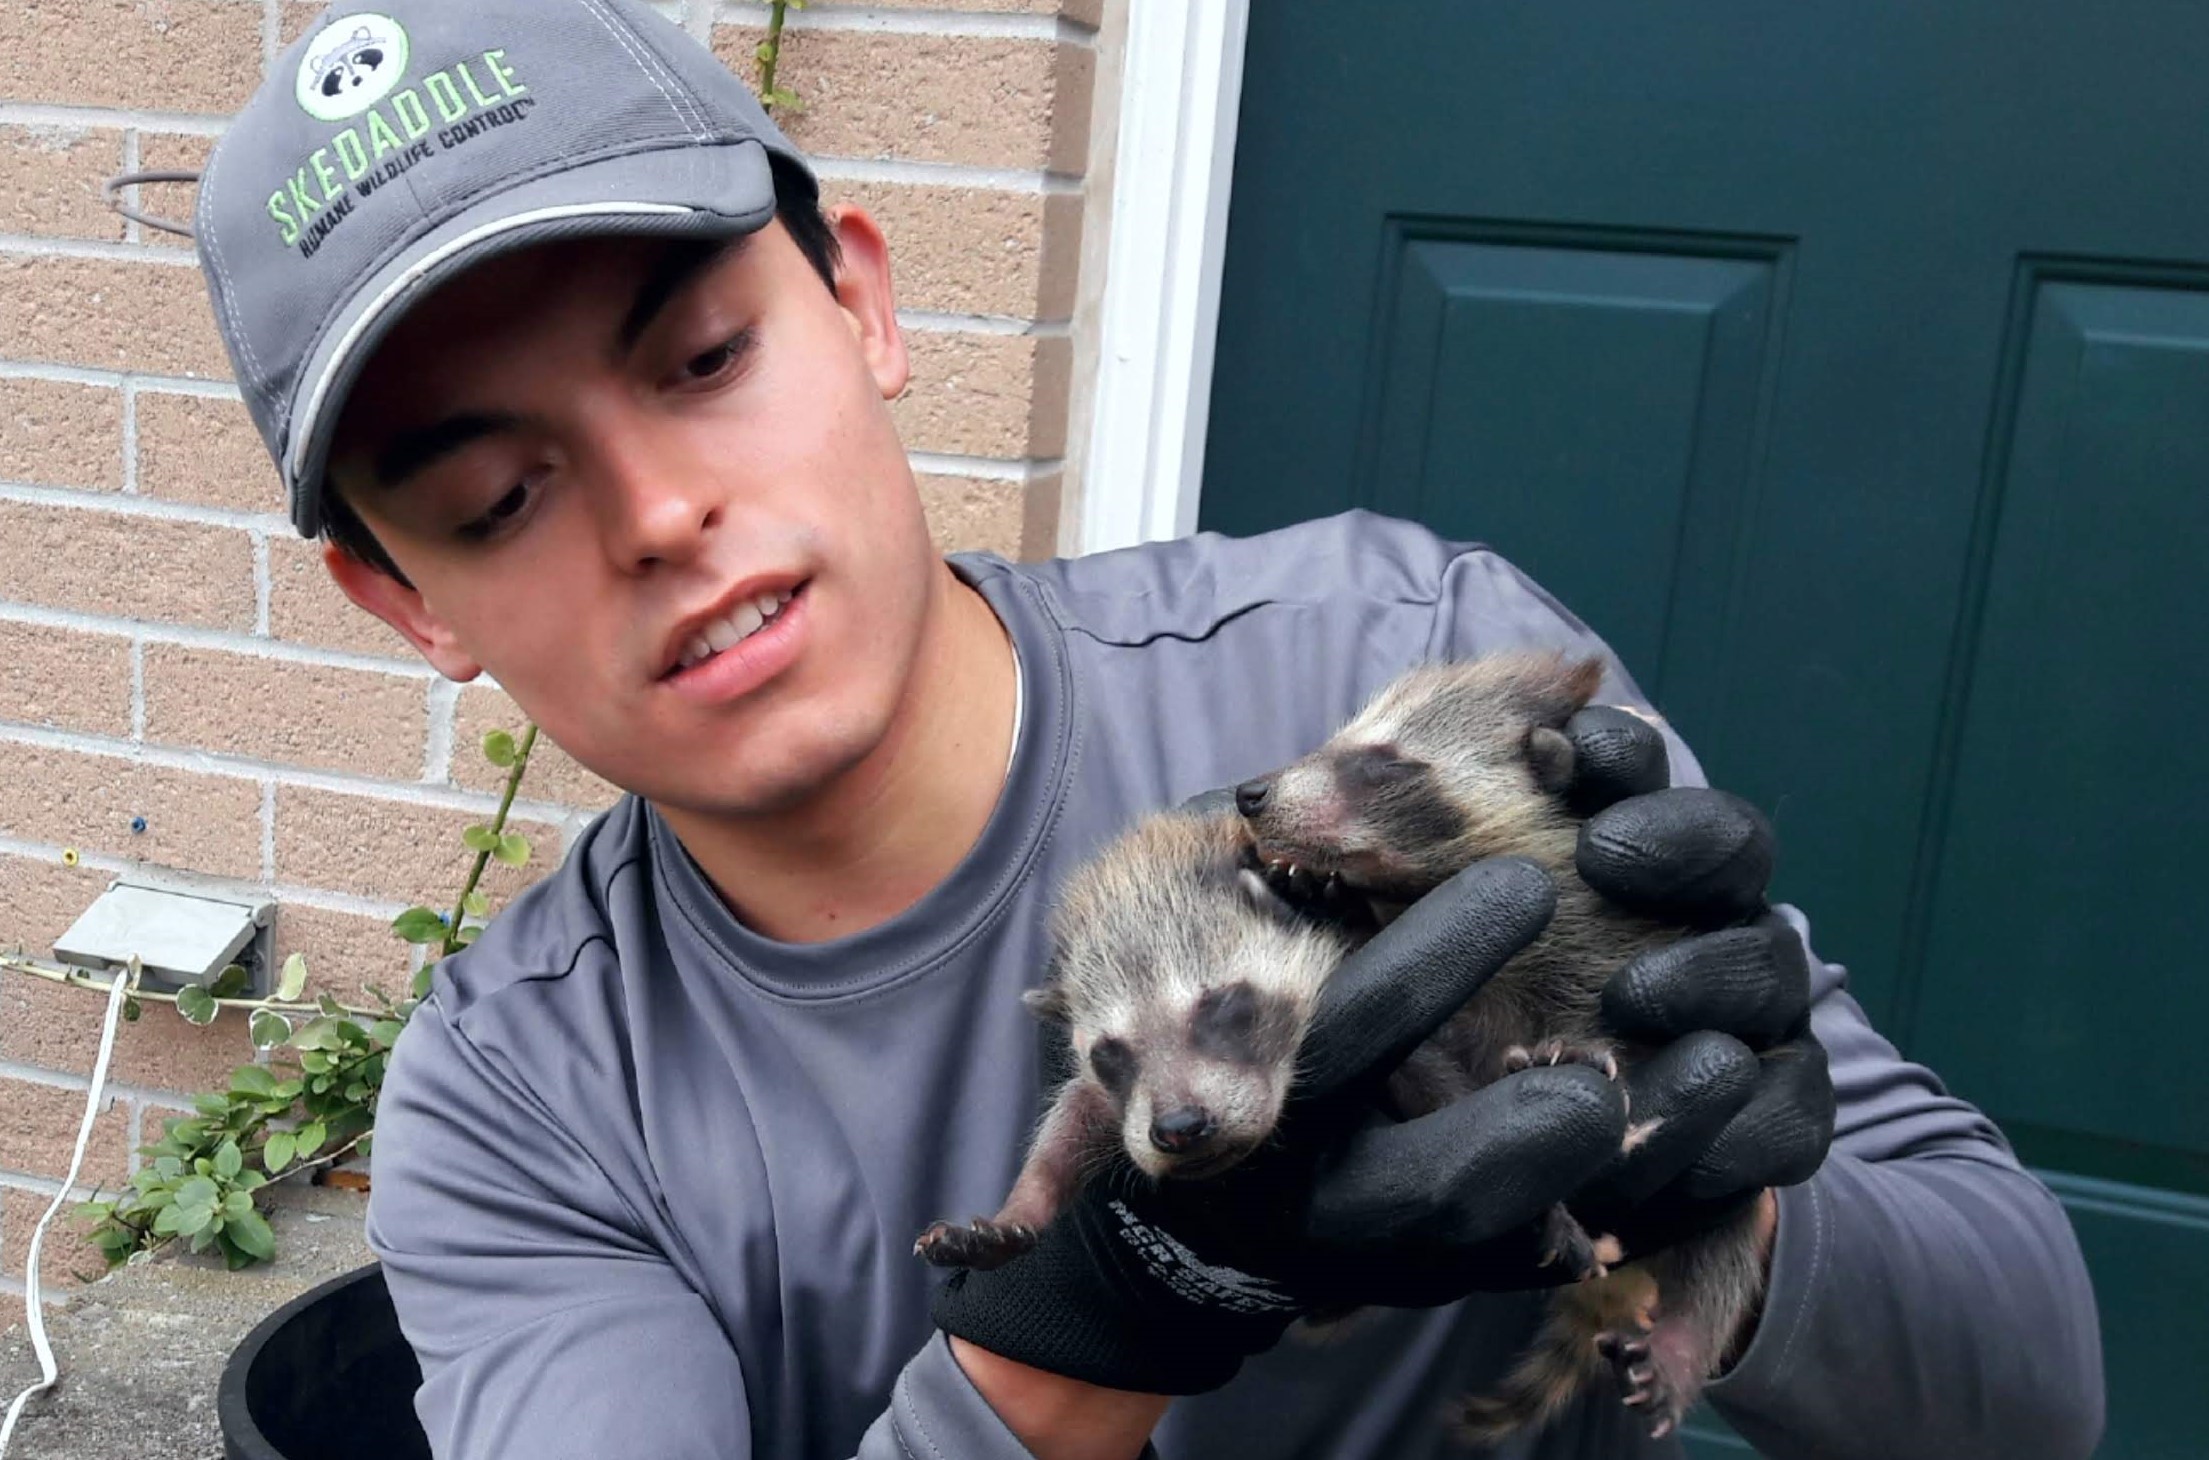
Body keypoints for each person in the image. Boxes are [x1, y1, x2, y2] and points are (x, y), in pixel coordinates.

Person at [189, 2, 2104, 1456]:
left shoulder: (1386, 676)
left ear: (859, 303)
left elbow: (2030, 1386)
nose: (654, 517)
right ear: (409, 601)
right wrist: (1084, 1323)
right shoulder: (521, 1108)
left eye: (702, 362)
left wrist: (1725, 1205)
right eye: (495, 500)